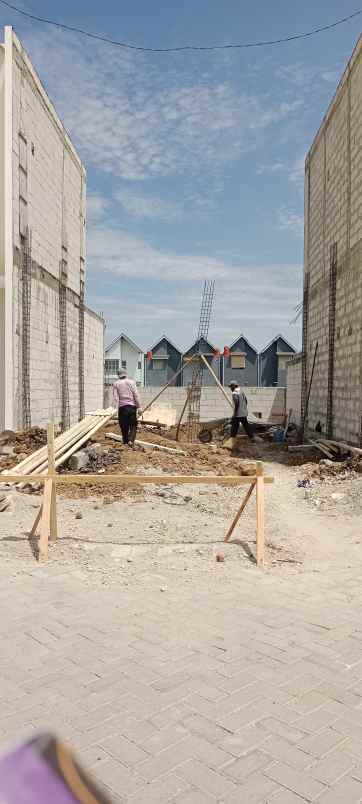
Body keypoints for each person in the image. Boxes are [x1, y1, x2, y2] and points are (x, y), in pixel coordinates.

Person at [113, 370, 141, 447]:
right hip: (132, 407)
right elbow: (136, 395)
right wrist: (139, 407)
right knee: (133, 425)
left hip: (122, 408)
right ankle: (131, 441)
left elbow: (115, 398)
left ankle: (125, 441)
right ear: (126, 374)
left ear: (118, 375)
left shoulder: (116, 384)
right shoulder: (132, 382)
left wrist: (115, 409)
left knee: (123, 425)